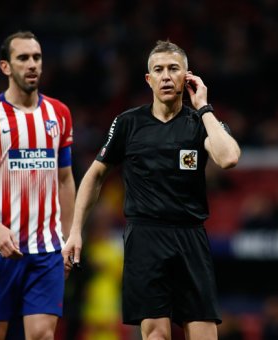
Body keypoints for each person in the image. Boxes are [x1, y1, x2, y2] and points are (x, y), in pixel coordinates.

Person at [63, 40, 240, 340]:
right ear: (149, 79)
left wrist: (204, 108)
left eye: (174, 69)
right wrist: (76, 231)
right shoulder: (128, 123)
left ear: (188, 76)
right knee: (155, 334)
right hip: (145, 237)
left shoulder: (200, 123)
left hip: (190, 236)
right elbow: (94, 176)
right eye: (158, 70)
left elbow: (229, 157)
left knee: (205, 335)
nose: (166, 76)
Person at [0, 30, 76, 340]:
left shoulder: (60, 114)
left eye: (36, 57)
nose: (32, 64)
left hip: (46, 250)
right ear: (6, 67)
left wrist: (68, 238)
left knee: (42, 334)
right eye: (23, 58)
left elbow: (65, 179)